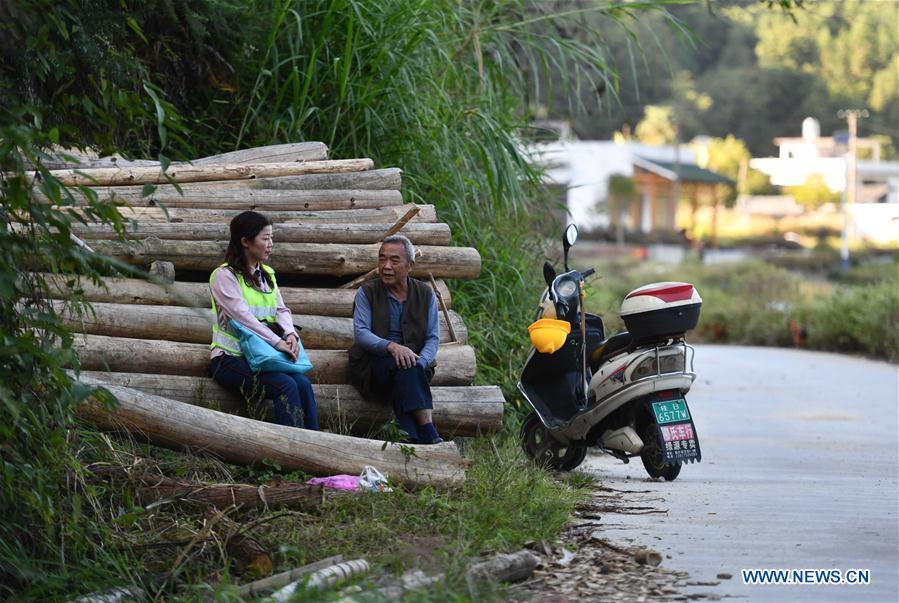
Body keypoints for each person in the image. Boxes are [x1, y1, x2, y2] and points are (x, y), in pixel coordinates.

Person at [208, 211, 319, 430]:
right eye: (265, 238)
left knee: (303, 384)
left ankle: (315, 442)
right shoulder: (224, 276)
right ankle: (291, 446)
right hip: (230, 359)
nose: (270, 244)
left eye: (271, 238)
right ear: (245, 242)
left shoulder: (267, 274)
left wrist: (290, 334)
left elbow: (281, 310)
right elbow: (244, 318)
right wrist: (277, 342)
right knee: (285, 385)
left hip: (263, 356)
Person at [349, 235, 442, 444]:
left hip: (413, 369)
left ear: (410, 265)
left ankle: (409, 438)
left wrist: (420, 364)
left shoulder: (425, 294)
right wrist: (392, 347)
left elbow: (432, 338)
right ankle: (429, 431)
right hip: (374, 367)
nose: (386, 266)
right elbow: (361, 333)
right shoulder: (367, 292)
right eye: (382, 259)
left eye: (394, 260)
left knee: (407, 370)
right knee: (403, 367)